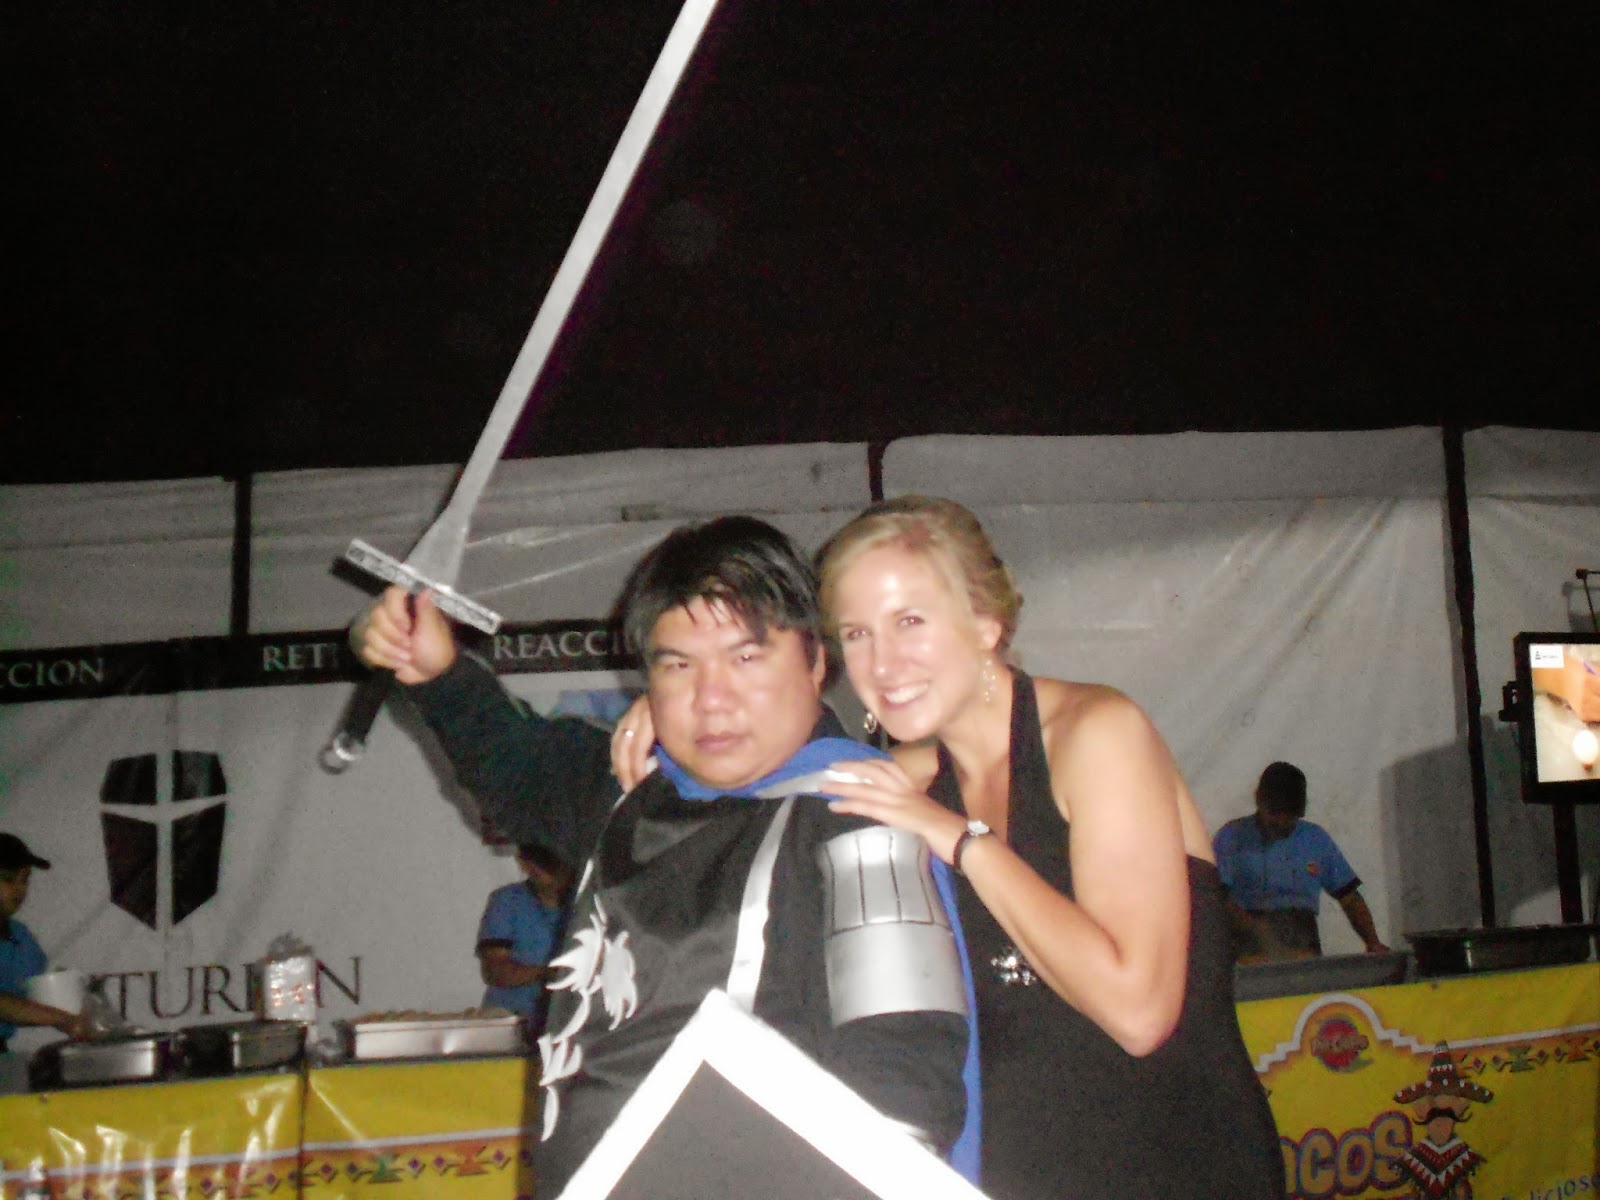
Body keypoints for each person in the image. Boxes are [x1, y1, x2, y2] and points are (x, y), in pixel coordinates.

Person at [614, 496, 1284, 1199]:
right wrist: (684, 712)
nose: (884, 662)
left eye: (910, 621)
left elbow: (1139, 1013)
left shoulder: (1095, 735)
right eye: (857, 633)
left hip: (1181, 1168)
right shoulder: (903, 779)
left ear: (987, 622)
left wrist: (962, 841)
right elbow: (761, 782)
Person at [352, 516, 970, 1196]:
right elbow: (516, 765)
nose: (711, 699)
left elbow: (903, 1083)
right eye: (678, 665)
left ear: (816, 662)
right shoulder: (630, 790)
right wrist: (438, 672)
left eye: (745, 658)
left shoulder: (856, 819)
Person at [1213, 761, 1391, 961]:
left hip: (1303, 947)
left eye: (1290, 817)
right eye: (1274, 815)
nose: (1282, 824)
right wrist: (1258, 931)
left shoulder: (1315, 839)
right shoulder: (1231, 837)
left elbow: (1349, 897)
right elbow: (1216, 899)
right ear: (1258, 800)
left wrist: (1372, 942)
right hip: (1248, 951)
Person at [2, 833, 93, 1055]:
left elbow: (27, 1005)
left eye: (25, 879)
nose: (19, 889)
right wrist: (62, 1018)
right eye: (8, 879)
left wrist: (77, 999)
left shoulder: (20, 937)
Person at [476, 840, 572, 1033]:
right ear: (523, 863)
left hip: (569, 1022)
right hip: (511, 1021)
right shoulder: (507, 901)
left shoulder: (586, 901)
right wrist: (548, 973)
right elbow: (494, 971)